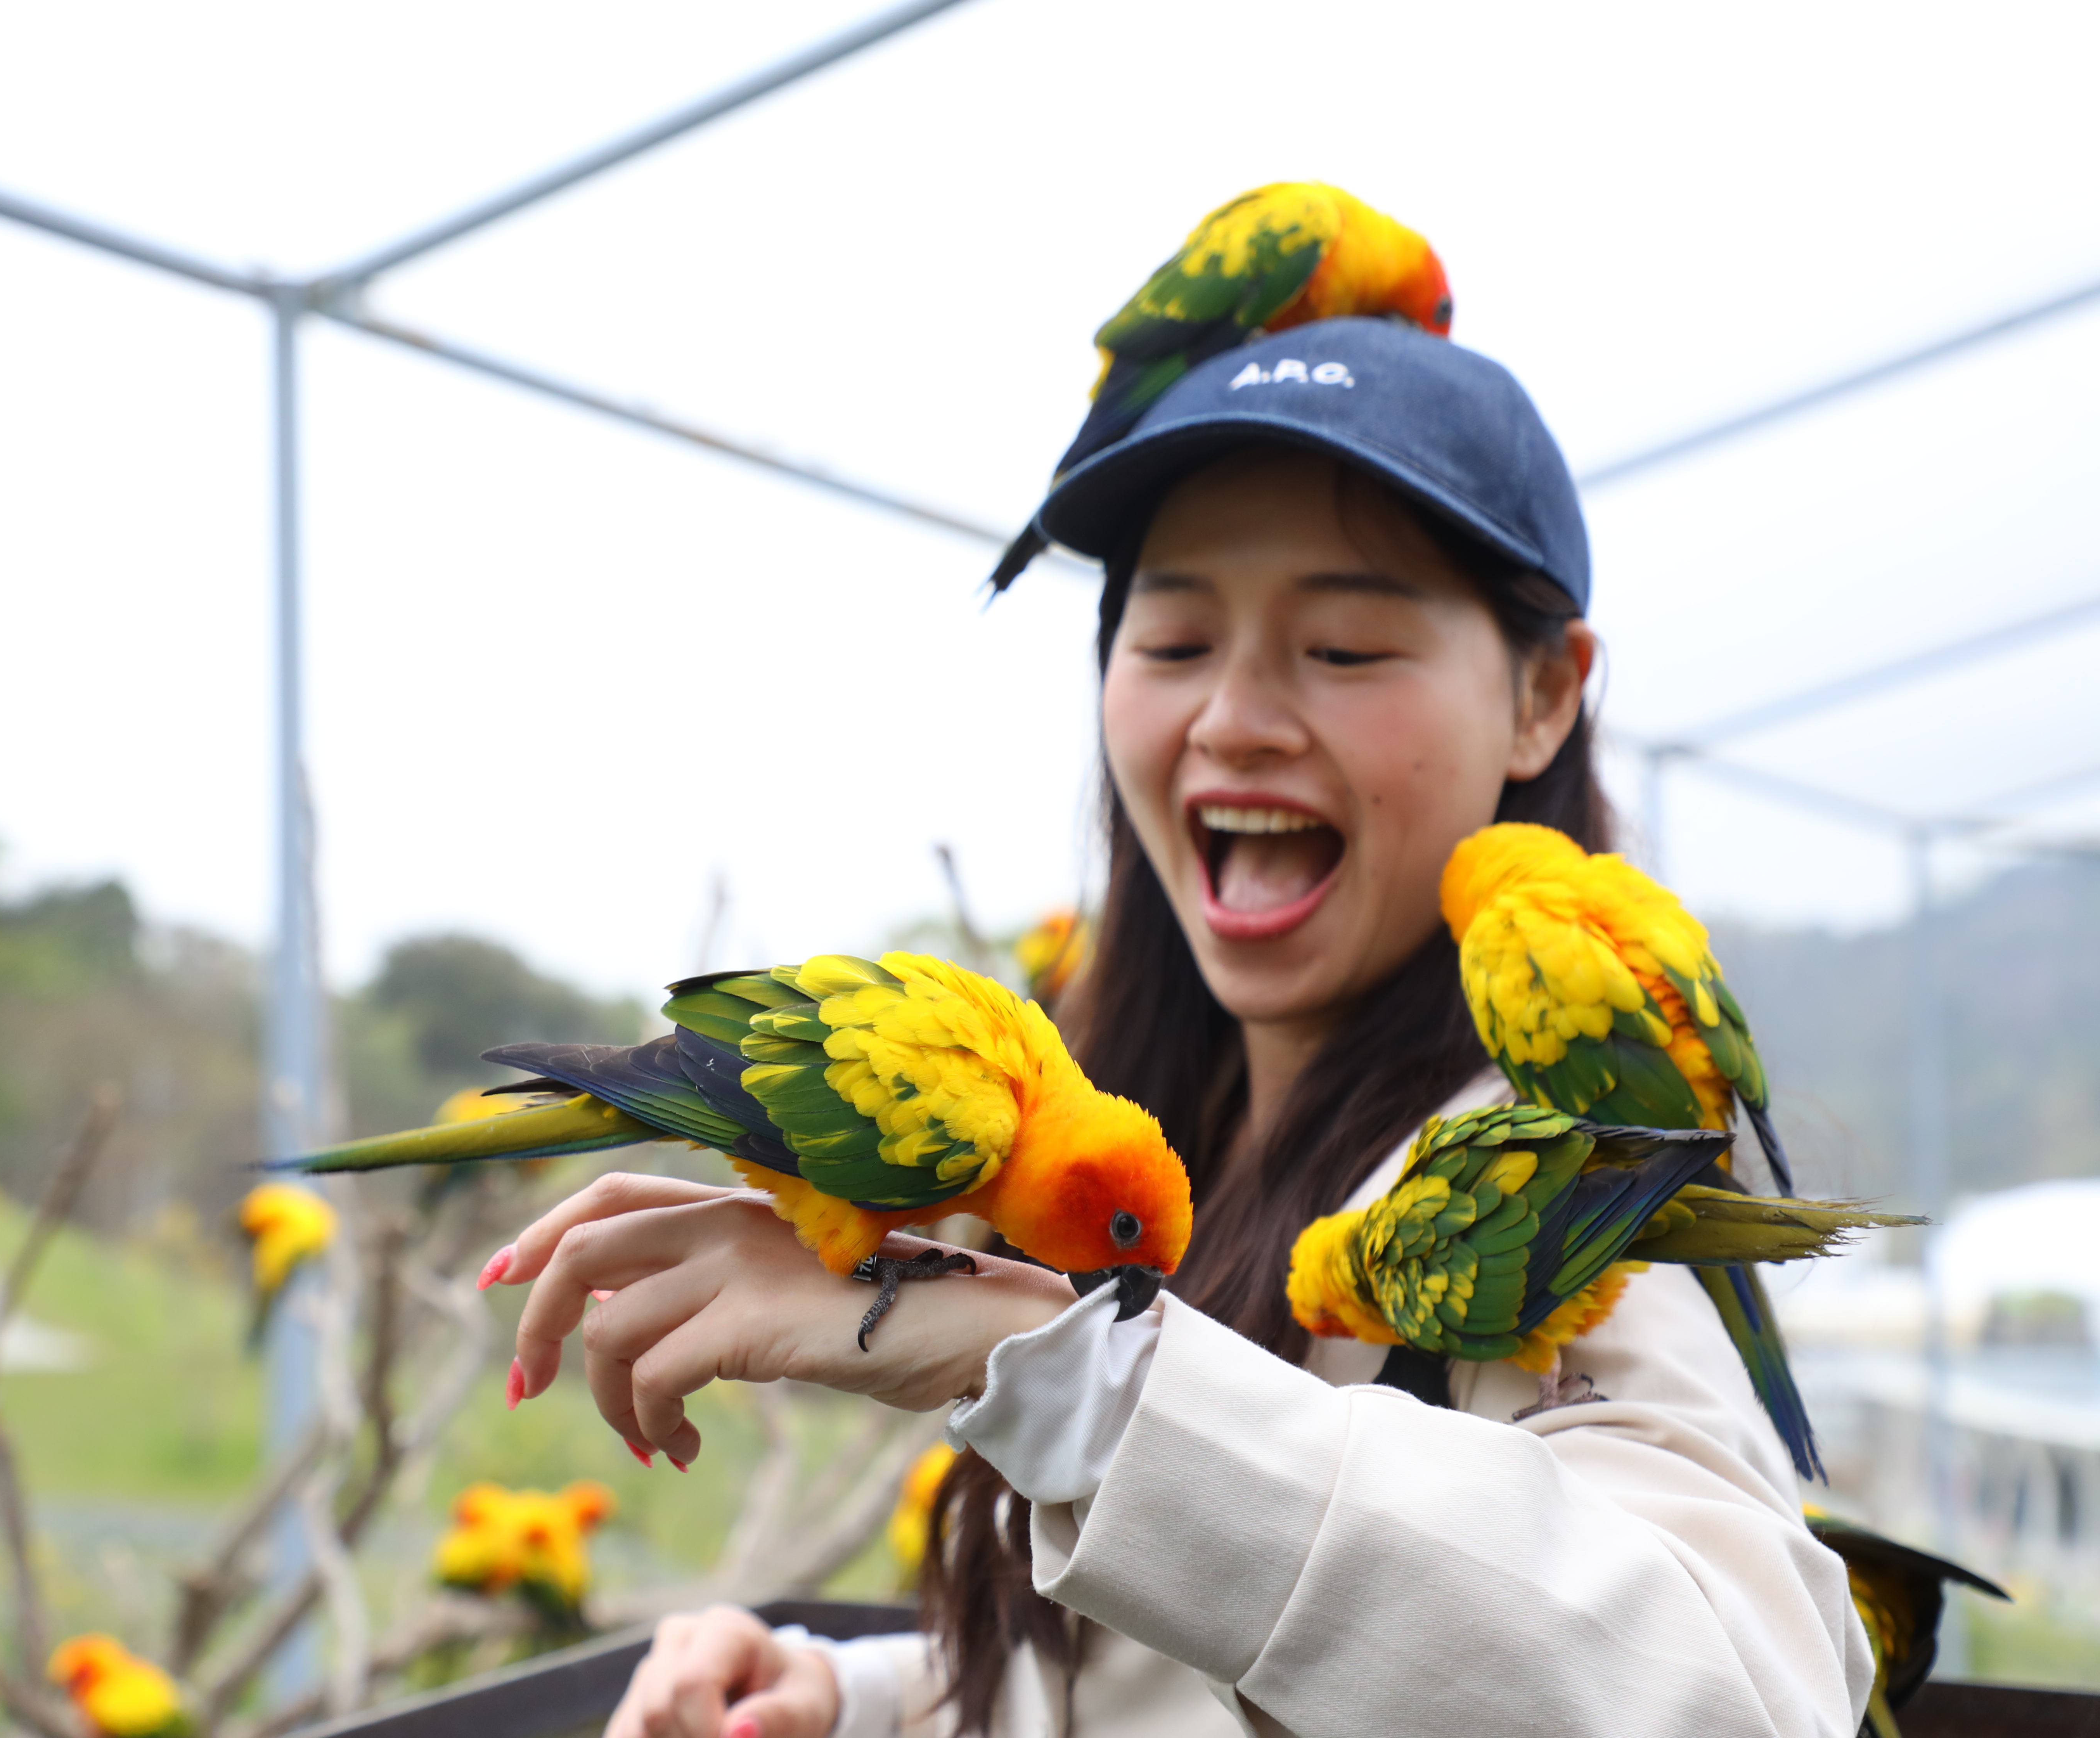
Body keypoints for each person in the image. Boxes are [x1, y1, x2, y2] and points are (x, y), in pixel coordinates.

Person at [483, 312, 1870, 1734]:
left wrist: (1065, 1373)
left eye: (1341, 645)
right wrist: (868, 1694)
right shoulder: (1158, 1117)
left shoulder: (1544, 1181)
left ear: (1544, 697)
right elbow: (1184, 1670)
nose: (1235, 714)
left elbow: (1738, 1702)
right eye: (1177, 636)